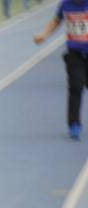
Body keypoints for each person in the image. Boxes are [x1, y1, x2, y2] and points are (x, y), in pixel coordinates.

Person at [34, 0, 88, 140]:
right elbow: (56, 21)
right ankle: (74, 124)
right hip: (75, 53)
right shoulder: (65, 4)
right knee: (75, 87)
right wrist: (44, 34)